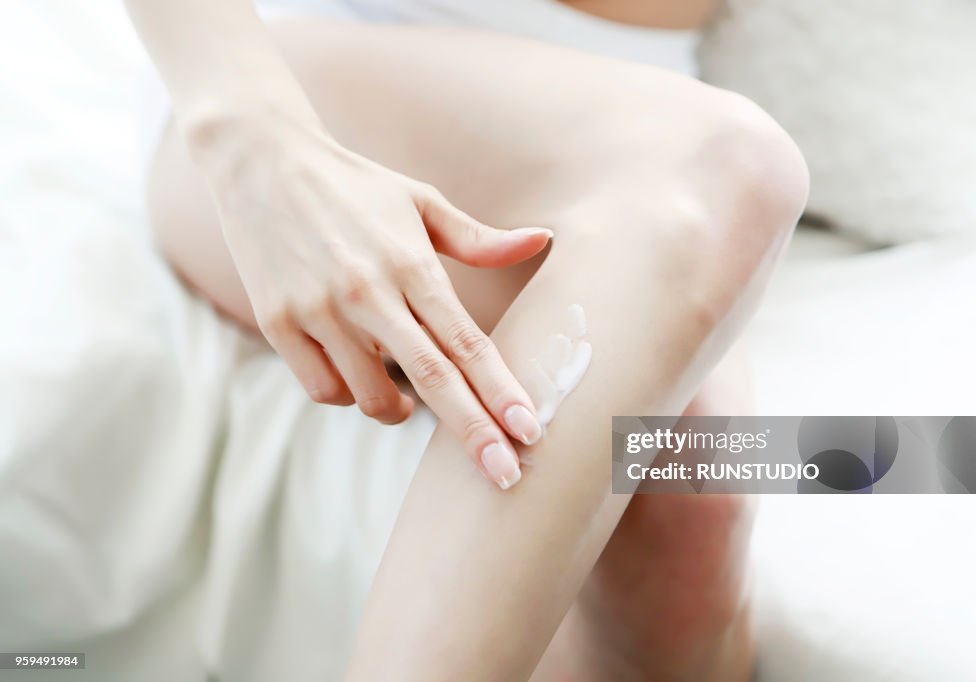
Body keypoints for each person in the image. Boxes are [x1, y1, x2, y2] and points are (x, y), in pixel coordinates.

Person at [126, 0, 809, 678]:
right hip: (308, 96)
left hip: (635, 121)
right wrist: (253, 140)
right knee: (740, 165)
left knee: (693, 505)